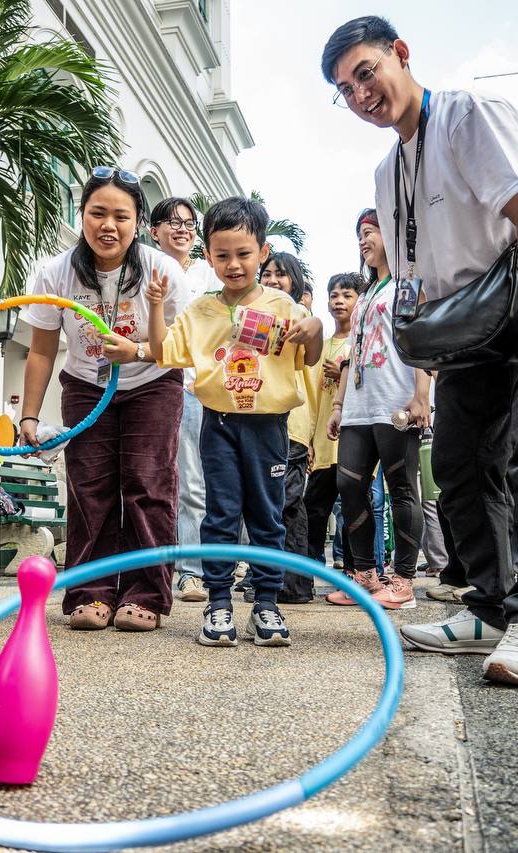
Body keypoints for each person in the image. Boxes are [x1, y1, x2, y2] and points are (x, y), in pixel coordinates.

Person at [322, 16, 518, 688]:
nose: (362, 94)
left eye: (366, 72)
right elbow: (417, 284)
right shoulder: (388, 171)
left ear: (401, 54)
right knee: (457, 459)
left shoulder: (469, 115)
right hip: (474, 317)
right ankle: (490, 606)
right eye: (345, 89)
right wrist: (425, 378)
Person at [149, 196, 323, 647]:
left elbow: (313, 356)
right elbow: (161, 351)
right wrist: (152, 306)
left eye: (243, 254)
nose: (233, 264)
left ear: (263, 252)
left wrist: (316, 329)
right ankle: (219, 603)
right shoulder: (202, 309)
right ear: (208, 255)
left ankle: (266, 603)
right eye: (222, 255)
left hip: (269, 426)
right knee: (221, 512)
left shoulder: (284, 306)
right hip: (219, 424)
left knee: (267, 515)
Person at [21, 169, 189, 632]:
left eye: (121, 215)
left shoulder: (162, 270)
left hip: (153, 383)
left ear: (138, 223)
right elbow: (40, 350)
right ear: (82, 216)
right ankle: (90, 591)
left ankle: (146, 593)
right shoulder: (55, 272)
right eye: (98, 213)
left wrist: (136, 350)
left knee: (147, 484)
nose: (108, 225)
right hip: (85, 384)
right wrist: (29, 416)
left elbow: (183, 345)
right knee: (89, 488)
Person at [326, 218, 428, 610]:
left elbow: (420, 340)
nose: (363, 240)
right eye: (360, 235)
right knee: (349, 486)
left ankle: (403, 580)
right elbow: (353, 352)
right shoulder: (366, 294)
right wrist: (338, 405)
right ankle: (365, 575)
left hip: (396, 401)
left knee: (402, 488)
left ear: (392, 234)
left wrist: (422, 395)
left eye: (370, 232)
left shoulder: (409, 283)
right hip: (358, 407)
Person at [149, 196, 219, 603]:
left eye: (189, 223)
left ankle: (191, 570)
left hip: (192, 388)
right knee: (151, 479)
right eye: (171, 222)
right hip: (148, 385)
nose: (182, 229)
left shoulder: (209, 277)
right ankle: (150, 566)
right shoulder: (143, 269)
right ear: (154, 230)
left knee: (192, 481)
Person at [260, 251, 317, 603]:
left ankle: (293, 585)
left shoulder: (300, 320)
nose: (272, 280)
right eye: (267, 274)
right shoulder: (264, 315)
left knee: (286, 506)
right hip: (269, 422)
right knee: (278, 505)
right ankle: (282, 580)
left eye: (281, 274)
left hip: (291, 424)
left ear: (295, 282)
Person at [300, 273, 360, 602]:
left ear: (359, 302)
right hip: (323, 443)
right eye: (334, 295)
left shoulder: (361, 344)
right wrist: (309, 439)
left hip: (354, 442)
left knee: (354, 509)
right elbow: (311, 397)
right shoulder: (321, 347)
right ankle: (309, 572)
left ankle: (354, 574)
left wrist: (345, 376)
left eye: (347, 295)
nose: (338, 301)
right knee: (314, 509)